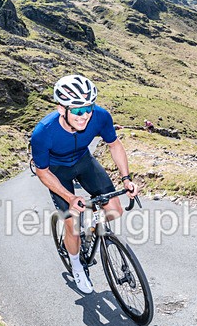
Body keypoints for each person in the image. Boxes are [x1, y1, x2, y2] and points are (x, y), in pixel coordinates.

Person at [30, 75, 139, 294]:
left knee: (115, 211)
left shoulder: (100, 116)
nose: (85, 116)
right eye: (78, 111)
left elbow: (114, 145)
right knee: (73, 226)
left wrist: (126, 179)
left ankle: (92, 229)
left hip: (83, 161)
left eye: (88, 108)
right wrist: (70, 198)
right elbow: (42, 172)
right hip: (57, 171)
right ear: (62, 109)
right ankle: (77, 265)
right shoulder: (43, 132)